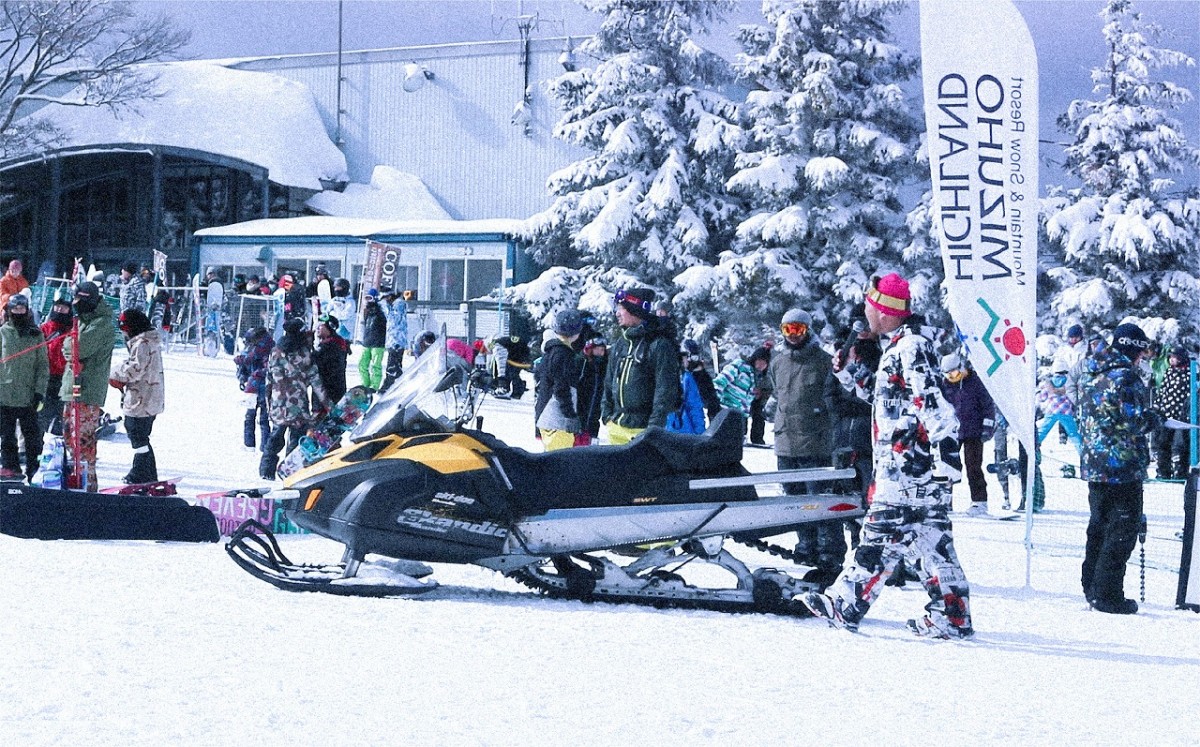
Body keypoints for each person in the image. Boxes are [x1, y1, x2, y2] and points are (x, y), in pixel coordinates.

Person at [804, 272, 972, 639]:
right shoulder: (901, 346)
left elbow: (930, 399)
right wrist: (851, 374)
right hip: (915, 467)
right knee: (934, 545)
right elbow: (892, 401)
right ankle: (953, 615)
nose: (865, 309)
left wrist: (945, 447)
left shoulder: (910, 346)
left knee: (879, 537)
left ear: (884, 310)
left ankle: (844, 604)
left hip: (907, 468)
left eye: (869, 303)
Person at [1078, 322, 1164, 614]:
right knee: (1122, 531)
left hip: (1095, 463)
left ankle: (1091, 586)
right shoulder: (1125, 377)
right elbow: (1133, 420)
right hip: (1122, 466)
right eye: (1142, 353)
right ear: (1134, 350)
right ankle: (1108, 594)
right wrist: (1154, 418)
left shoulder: (1091, 372)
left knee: (1098, 527)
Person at [771, 308, 839, 587]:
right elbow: (777, 394)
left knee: (819, 501)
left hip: (816, 442)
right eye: (787, 330)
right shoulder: (778, 362)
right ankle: (805, 546)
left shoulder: (823, 362)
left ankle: (829, 552)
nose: (793, 335)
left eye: (797, 329)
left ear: (808, 330)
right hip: (786, 442)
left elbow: (834, 398)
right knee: (795, 501)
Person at [600, 286, 680, 445]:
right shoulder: (621, 344)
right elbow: (609, 382)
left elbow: (665, 390)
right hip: (616, 427)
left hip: (643, 431)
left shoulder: (658, 345)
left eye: (621, 308)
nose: (617, 313)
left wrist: (653, 429)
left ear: (634, 310)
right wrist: (606, 415)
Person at [60, 281, 116, 491]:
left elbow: (77, 348)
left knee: (82, 443)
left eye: (80, 301)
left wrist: (71, 347)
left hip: (87, 391)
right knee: (69, 441)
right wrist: (70, 346)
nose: (76, 305)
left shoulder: (101, 324)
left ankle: (88, 488)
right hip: (71, 388)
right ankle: (74, 484)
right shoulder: (83, 321)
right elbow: (68, 346)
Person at [260, 318, 330, 480]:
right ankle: (290, 472)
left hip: (279, 402)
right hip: (298, 403)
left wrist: (268, 402)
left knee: (275, 436)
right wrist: (328, 405)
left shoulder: (276, 351)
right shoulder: (305, 353)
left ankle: (266, 469)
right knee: (296, 439)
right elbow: (316, 381)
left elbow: (269, 380)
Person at [108, 309, 165, 484]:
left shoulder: (142, 343)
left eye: (124, 329)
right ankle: (147, 472)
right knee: (140, 435)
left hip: (142, 397)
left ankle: (141, 471)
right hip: (149, 396)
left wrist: (115, 372)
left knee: (136, 433)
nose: (123, 333)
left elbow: (136, 369)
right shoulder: (146, 341)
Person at [940, 352, 997, 516]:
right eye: (948, 373)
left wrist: (987, 428)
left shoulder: (974, 381)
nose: (952, 376)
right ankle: (944, 501)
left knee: (973, 466)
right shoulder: (944, 385)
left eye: (954, 372)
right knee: (946, 467)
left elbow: (988, 406)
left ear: (961, 367)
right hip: (952, 432)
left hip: (974, 431)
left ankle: (979, 502)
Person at [0, 293, 48, 481]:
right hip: (5, 394)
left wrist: (39, 392)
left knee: (32, 437)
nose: (18, 313)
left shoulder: (35, 334)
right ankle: (10, 467)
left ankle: (34, 468)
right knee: (7, 436)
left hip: (28, 395)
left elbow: (42, 366)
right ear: (9, 311)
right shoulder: (2, 333)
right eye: (15, 309)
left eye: (22, 309)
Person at [534, 310, 584, 451]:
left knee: (550, 458)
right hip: (556, 418)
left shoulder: (550, 352)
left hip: (547, 416)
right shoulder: (563, 354)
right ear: (577, 332)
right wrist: (570, 414)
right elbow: (561, 388)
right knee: (559, 463)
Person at [1152, 346, 1192, 479]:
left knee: (1181, 446)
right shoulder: (1169, 372)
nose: (1171, 360)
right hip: (1167, 415)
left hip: (1181, 417)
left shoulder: (1188, 374)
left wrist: (1187, 411)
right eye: (1170, 358)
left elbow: (1190, 394)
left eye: (1174, 358)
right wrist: (1158, 406)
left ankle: (1181, 472)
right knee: (1163, 443)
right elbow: (1162, 390)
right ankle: (1163, 471)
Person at [234, 326, 274, 451]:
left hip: (259, 386)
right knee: (260, 417)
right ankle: (259, 444)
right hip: (259, 386)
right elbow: (244, 366)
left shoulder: (264, 349)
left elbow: (245, 363)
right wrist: (242, 377)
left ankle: (253, 444)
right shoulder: (258, 347)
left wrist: (246, 376)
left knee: (255, 416)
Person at [713, 346, 771, 430]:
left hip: (741, 417)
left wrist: (757, 396)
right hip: (726, 411)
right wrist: (715, 401)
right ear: (754, 359)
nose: (761, 365)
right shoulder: (740, 366)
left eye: (765, 363)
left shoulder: (757, 379)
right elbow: (720, 382)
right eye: (760, 360)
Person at [38, 294, 72, 434]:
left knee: (60, 411)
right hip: (46, 375)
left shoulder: (72, 329)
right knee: (43, 410)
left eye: (63, 307)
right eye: (57, 306)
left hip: (64, 377)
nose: (59, 309)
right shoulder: (45, 329)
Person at [665, 340, 707, 435]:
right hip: (683, 430)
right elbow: (695, 406)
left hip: (674, 429)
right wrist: (700, 432)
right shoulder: (685, 378)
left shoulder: (685, 377)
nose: (687, 360)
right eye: (684, 357)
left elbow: (694, 406)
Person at [576, 336, 607, 445]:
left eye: (603, 350)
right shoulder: (582, 363)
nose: (601, 353)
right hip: (579, 413)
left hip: (594, 414)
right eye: (599, 349)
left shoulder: (603, 366)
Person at [313, 314, 350, 405]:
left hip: (329, 393)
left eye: (320, 326)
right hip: (325, 392)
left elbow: (321, 366)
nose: (316, 329)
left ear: (330, 328)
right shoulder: (330, 343)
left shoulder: (333, 346)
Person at [358, 288, 388, 390]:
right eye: (367, 298)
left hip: (378, 344)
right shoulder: (367, 312)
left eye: (370, 298)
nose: (368, 301)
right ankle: (365, 384)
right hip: (367, 342)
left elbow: (384, 323)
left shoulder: (380, 312)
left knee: (376, 366)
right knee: (362, 364)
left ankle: (374, 386)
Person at [381, 285, 409, 391]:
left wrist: (388, 308)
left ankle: (390, 383)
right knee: (395, 362)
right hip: (393, 339)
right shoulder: (393, 305)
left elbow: (395, 320)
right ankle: (395, 383)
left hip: (397, 340)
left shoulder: (398, 304)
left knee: (393, 363)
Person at [325, 278, 357, 342]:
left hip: (346, 328)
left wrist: (333, 313)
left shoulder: (350, 301)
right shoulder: (334, 299)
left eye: (338, 288)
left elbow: (346, 315)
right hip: (334, 326)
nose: (335, 290)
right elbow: (327, 311)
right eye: (335, 288)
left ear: (344, 288)